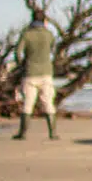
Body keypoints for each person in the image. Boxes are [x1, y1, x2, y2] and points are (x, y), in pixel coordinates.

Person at [14, 10, 59, 139]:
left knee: (28, 103)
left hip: (30, 72)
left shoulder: (27, 34)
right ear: (45, 21)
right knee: (48, 103)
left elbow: (18, 52)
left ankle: (22, 134)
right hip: (46, 72)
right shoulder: (49, 34)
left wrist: (21, 64)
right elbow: (53, 50)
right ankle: (53, 133)